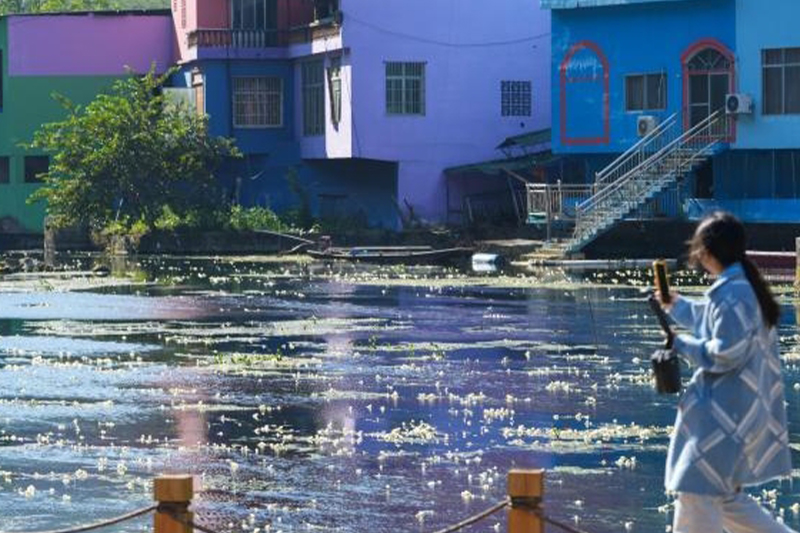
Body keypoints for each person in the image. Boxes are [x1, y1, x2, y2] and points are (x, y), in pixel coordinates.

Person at [656, 211, 795, 533]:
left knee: (696, 492)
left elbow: (726, 353)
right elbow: (712, 320)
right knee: (725, 500)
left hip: (723, 419)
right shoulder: (739, 289)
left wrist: (680, 344)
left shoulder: (734, 292)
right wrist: (674, 306)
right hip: (734, 415)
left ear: (705, 251)